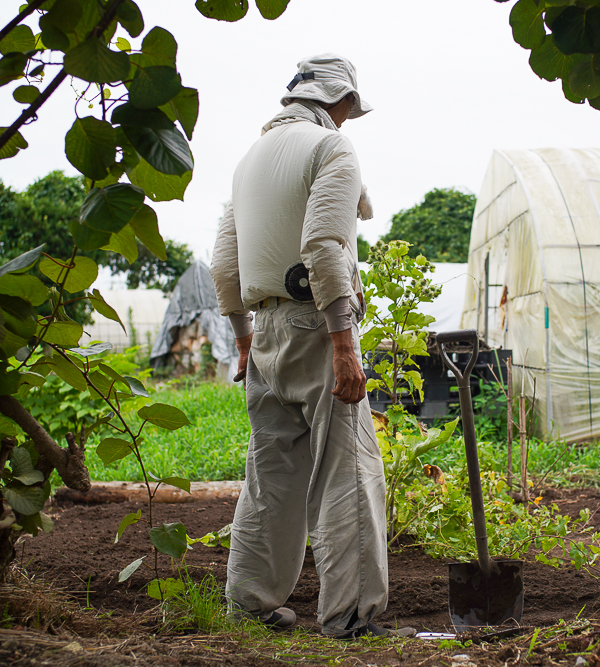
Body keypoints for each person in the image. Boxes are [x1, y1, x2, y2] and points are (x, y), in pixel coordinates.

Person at [210, 54, 409, 639]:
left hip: (267, 332)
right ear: (339, 99)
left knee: (270, 474)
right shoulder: (330, 149)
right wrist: (342, 346)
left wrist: (245, 342)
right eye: (351, 107)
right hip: (317, 329)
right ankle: (350, 616)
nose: (351, 119)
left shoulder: (251, 160)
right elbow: (324, 246)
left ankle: (249, 602)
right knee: (347, 467)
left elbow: (226, 264)